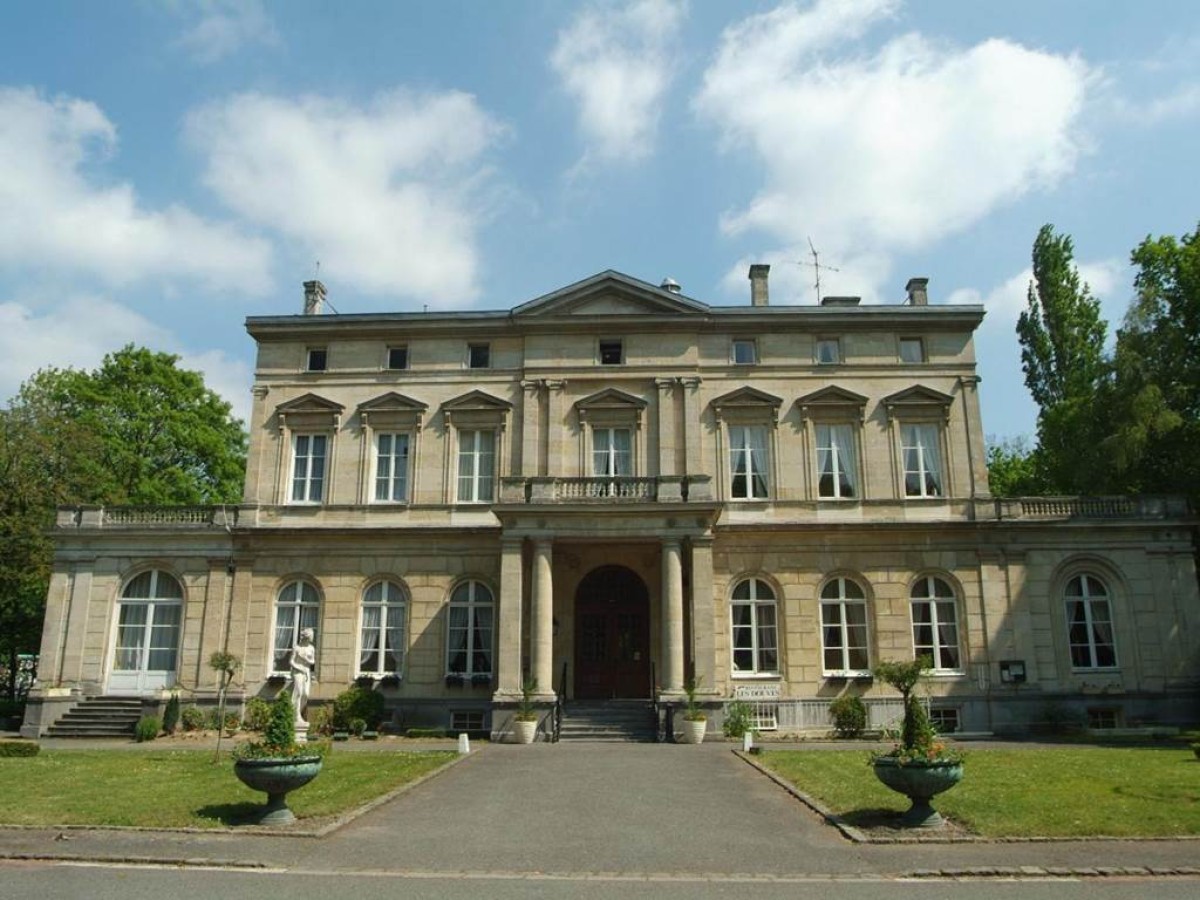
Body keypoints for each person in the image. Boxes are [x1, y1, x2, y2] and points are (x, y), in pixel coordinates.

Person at [289, 627, 316, 725]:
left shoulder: (311, 648)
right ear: (306, 637)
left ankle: (296, 713)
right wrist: (299, 668)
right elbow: (291, 661)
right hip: (297, 671)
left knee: (305, 694)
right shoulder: (297, 648)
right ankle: (296, 716)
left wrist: (306, 659)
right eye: (310, 637)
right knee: (298, 692)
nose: (311, 639)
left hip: (306, 671)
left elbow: (313, 661)